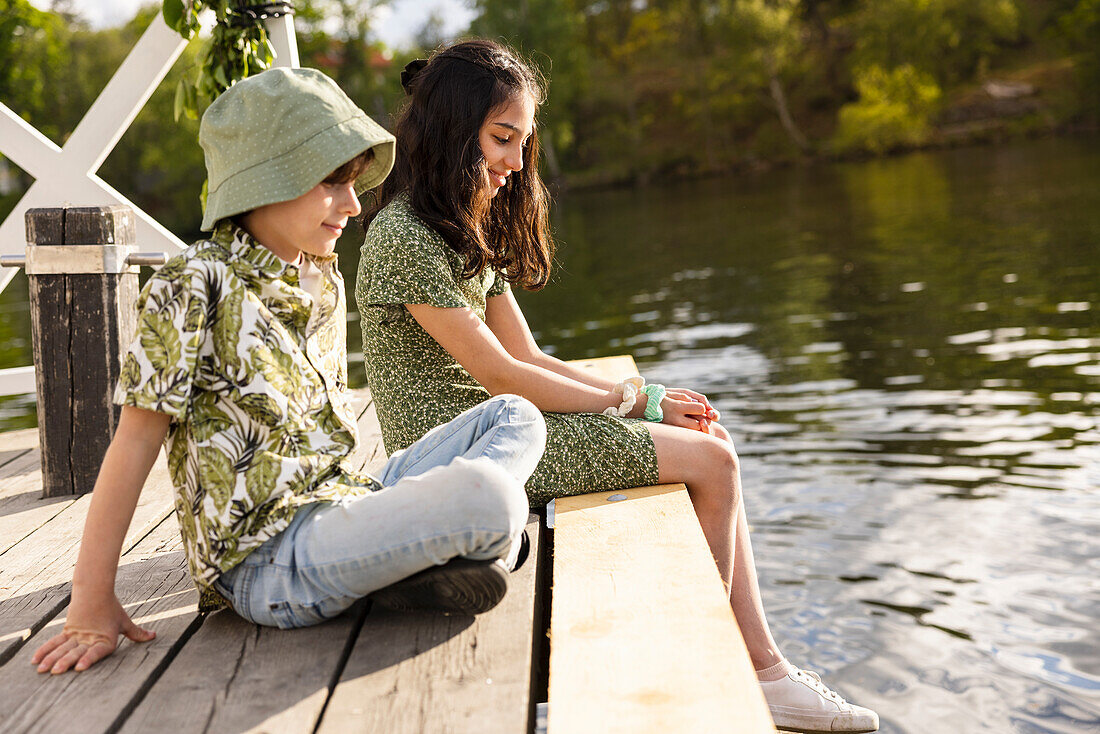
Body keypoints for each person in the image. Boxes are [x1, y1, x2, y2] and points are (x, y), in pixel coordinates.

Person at [355, 40, 879, 734]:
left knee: (709, 438)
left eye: (522, 141)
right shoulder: (403, 237)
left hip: (500, 425)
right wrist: (630, 400)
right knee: (713, 463)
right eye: (501, 139)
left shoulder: (458, 230)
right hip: (461, 452)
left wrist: (648, 397)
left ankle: (763, 667)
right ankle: (722, 671)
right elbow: (502, 375)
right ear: (454, 131)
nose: (515, 161)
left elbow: (529, 355)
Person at [31, 67, 547, 677]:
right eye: (333, 182)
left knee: (517, 416)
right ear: (265, 180)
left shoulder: (316, 277)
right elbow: (135, 440)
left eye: (353, 183)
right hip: (269, 558)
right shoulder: (193, 284)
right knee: (492, 500)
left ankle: (428, 544)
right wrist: (90, 603)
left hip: (342, 500)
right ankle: (456, 538)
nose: (353, 205)